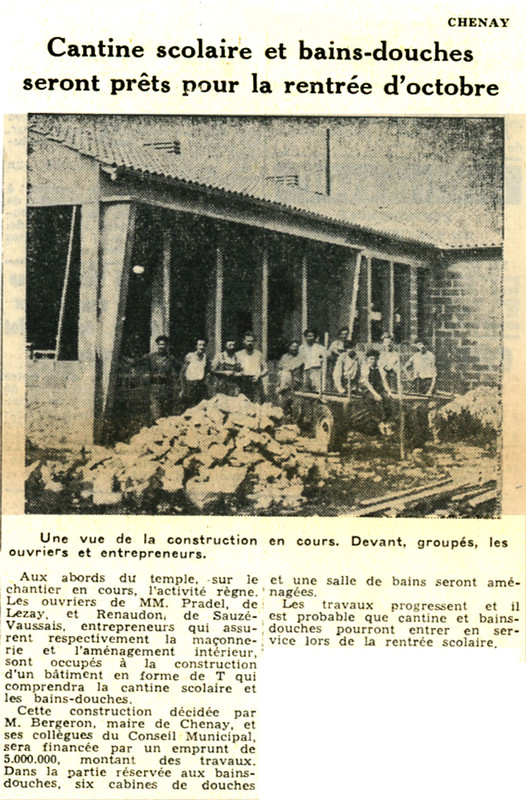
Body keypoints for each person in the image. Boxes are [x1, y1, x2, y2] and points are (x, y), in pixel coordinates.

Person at [143, 335, 177, 422]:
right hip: (154, 387)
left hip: (166, 388)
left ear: (167, 345)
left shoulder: (170, 358)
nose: (162, 346)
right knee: (156, 415)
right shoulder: (151, 357)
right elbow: (146, 370)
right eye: (160, 344)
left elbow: (173, 373)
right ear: (157, 345)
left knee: (166, 414)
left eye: (164, 344)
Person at [237, 332, 268, 403]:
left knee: (257, 404)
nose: (250, 343)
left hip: (256, 381)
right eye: (248, 341)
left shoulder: (259, 354)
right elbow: (236, 369)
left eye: (252, 341)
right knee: (244, 404)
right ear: (243, 341)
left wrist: (259, 375)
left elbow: (266, 369)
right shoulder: (238, 355)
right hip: (243, 381)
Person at [179, 338, 209, 409]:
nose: (202, 347)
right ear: (196, 346)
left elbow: (204, 371)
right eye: (200, 345)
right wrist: (182, 388)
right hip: (190, 385)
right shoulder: (190, 356)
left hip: (200, 385)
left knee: (199, 407)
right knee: (189, 407)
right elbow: (182, 372)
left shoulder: (205, 357)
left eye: (203, 345)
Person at [276, 339, 303, 414]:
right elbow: (280, 369)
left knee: (295, 403)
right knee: (283, 402)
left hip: (296, 383)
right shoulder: (284, 357)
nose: (294, 348)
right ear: (289, 347)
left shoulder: (300, 357)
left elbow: (297, 369)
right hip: (285, 382)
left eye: (296, 346)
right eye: (292, 346)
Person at [298, 328, 327, 393]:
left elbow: (324, 359)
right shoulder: (302, 348)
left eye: (311, 336)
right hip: (306, 370)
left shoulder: (319, 347)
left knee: (316, 390)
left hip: (316, 370)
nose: (310, 338)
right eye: (308, 336)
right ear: (305, 337)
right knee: (306, 390)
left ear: (314, 337)